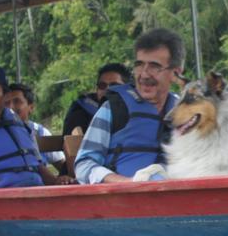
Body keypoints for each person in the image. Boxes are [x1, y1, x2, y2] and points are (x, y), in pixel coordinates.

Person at [74, 28, 184, 184]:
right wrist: (125, 183)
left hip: (173, 200)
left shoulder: (186, 113)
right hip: (121, 202)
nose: (144, 75)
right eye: (139, 65)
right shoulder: (113, 109)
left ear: (175, 73)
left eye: (154, 66)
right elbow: (83, 165)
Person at [5, 82, 66, 170]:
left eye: (17, 101)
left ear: (31, 107)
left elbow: (63, 166)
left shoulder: (40, 132)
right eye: (6, 103)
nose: (11, 107)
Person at [62, 62, 132, 136]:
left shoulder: (137, 110)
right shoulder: (81, 111)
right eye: (102, 86)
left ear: (127, 89)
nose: (107, 90)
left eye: (114, 85)